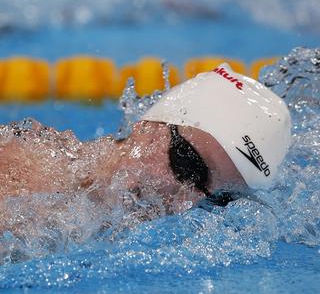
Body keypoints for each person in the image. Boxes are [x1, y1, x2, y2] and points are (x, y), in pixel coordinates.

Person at [0, 63, 291, 234]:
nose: (185, 205)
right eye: (187, 165)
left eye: (220, 201)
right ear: (150, 126)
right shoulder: (21, 183)